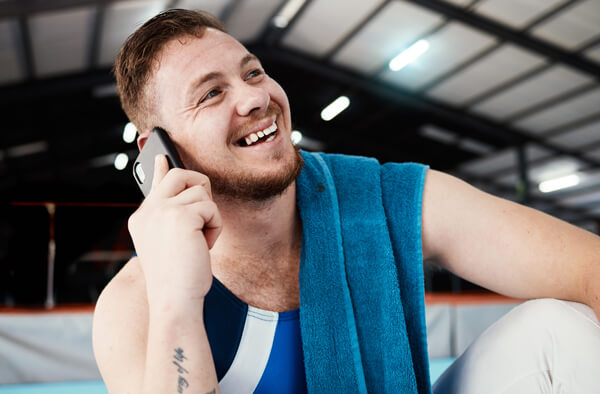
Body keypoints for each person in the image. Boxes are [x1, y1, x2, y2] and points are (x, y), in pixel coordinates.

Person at [92, 9, 600, 394]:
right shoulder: (133, 304)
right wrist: (177, 298)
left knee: (557, 330)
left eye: (252, 73)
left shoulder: (379, 198)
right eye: (210, 94)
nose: (254, 98)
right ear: (157, 151)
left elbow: (589, 268)